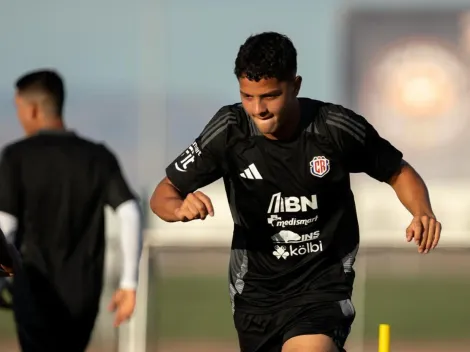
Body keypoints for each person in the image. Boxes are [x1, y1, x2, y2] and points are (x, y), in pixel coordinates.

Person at [150, 32, 442, 352]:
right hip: (255, 295)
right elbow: (164, 193)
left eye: (270, 96)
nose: (258, 109)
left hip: (322, 286)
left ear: (296, 85)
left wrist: (421, 211)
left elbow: (398, 171)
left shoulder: (335, 128)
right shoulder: (229, 130)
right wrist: (178, 209)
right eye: (248, 96)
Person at [0, 69, 143, 352]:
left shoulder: (17, 157)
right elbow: (130, 211)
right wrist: (129, 283)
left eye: (18, 109)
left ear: (33, 110)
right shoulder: (98, 156)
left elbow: (5, 225)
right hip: (84, 297)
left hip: (33, 291)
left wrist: (1, 280)